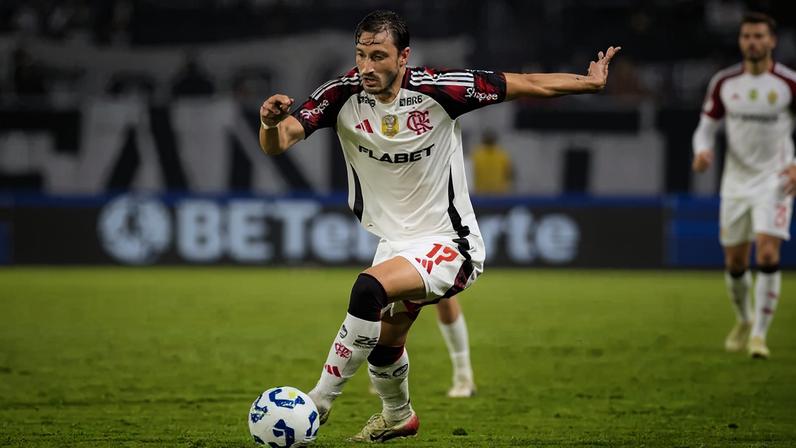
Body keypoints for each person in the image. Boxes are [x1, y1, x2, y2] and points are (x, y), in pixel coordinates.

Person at [258, 10, 619, 442]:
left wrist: (589, 82)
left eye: (378, 56)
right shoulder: (339, 95)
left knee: (367, 290)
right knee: (385, 348)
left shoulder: (439, 88)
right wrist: (268, 123)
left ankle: (318, 401)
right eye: (360, 55)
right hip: (393, 243)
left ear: (403, 56)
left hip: (451, 244)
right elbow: (280, 144)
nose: (366, 67)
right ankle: (398, 416)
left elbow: (526, 84)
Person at [692, 12, 796, 359]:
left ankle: (759, 337)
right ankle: (744, 319)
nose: (752, 42)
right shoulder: (725, 83)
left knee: (766, 253)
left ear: (771, 41)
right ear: (740, 41)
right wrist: (702, 149)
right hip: (736, 181)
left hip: (776, 178)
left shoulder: (788, 83)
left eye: (758, 36)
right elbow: (706, 126)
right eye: (747, 36)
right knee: (735, 263)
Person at [471, 129, 513, 195]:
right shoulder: (502, 154)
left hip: (493, 192)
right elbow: (509, 173)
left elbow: (508, 173)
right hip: (488, 192)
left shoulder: (476, 154)